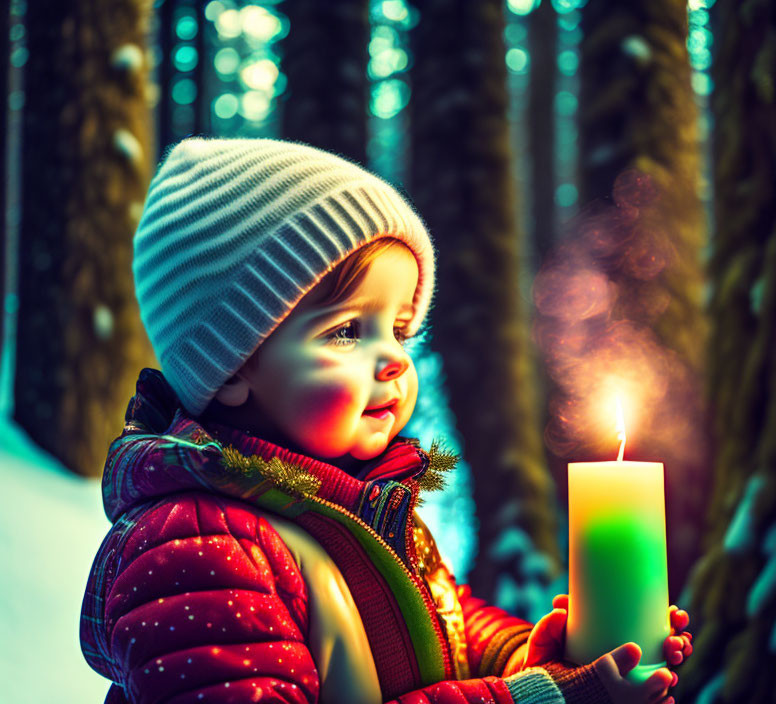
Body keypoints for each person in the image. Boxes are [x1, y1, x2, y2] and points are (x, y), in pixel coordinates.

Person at [80, 137, 693, 704]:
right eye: (348, 330)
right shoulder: (201, 547)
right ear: (234, 367)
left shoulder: (355, 503)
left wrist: (529, 656)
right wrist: (540, 696)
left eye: (401, 329)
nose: (396, 357)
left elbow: (444, 624)